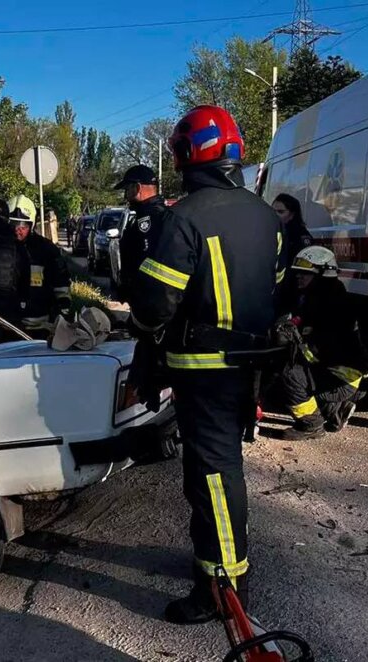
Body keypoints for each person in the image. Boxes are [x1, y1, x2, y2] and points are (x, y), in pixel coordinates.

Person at [129, 105, 283, 624]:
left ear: (190, 154)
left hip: (205, 368)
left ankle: (222, 586)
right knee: (222, 468)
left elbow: (153, 305)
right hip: (250, 364)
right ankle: (221, 561)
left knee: (213, 475)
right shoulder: (265, 214)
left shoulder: (184, 217)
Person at [272, 246, 368, 441]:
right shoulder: (316, 296)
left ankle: (312, 425)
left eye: (306, 274)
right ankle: (335, 411)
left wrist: (294, 338)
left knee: (289, 374)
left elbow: (318, 351)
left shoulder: (332, 305)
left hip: (340, 378)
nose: (299, 277)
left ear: (324, 274)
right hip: (333, 372)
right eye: (298, 273)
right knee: (287, 378)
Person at [9, 194, 72, 334]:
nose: (17, 230)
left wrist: (63, 308)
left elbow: (61, 281)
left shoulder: (46, 249)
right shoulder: (0, 247)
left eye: (22, 226)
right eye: (13, 224)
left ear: (31, 225)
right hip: (8, 324)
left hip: (40, 326)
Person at [114, 164, 168, 303]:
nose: (126, 196)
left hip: (150, 302)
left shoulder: (150, 220)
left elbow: (148, 263)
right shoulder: (161, 216)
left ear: (137, 188)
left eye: (127, 190)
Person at [272, 193, 314, 260]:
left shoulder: (300, 237)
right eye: (273, 211)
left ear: (292, 215)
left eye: (280, 212)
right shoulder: (267, 232)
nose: (275, 215)